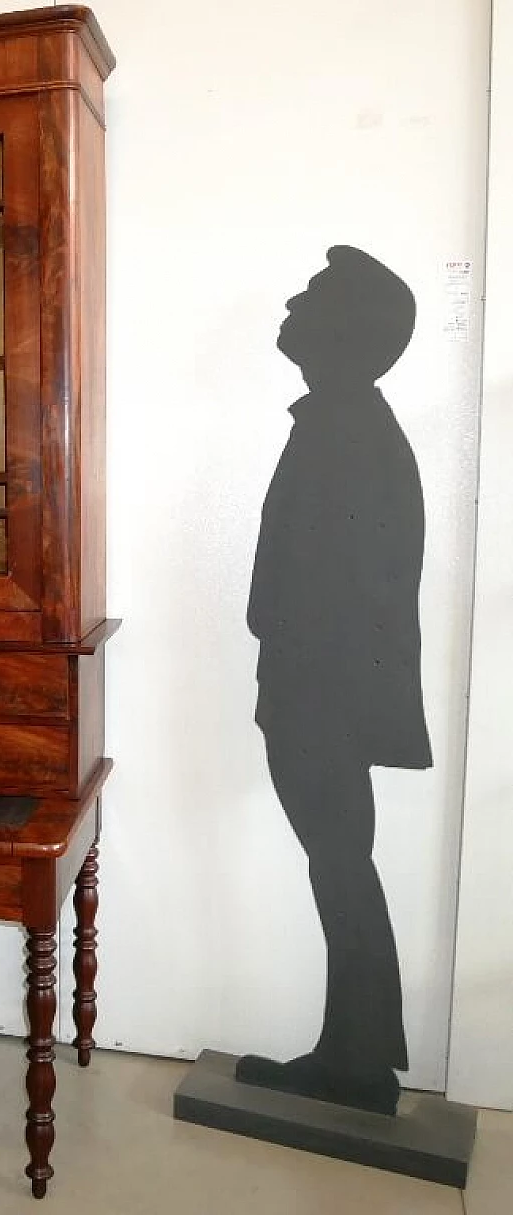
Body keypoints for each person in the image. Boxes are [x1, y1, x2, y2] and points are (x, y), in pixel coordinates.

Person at [236, 245, 431, 1116]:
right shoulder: (343, 423)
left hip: (324, 696)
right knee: (342, 863)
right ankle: (355, 1053)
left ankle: (356, 1060)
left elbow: (344, 586)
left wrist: (301, 680)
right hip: (320, 692)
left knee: (341, 863)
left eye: (312, 295)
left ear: (346, 330)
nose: (292, 301)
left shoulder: (348, 429)